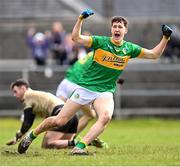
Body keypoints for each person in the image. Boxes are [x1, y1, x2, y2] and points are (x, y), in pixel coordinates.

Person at [18, 9, 173, 155]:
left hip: (105, 91)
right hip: (85, 88)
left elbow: (154, 54)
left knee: (105, 117)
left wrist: (165, 38)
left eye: (120, 27)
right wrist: (80, 19)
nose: (117, 29)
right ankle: (31, 136)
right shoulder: (101, 42)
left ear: (125, 31)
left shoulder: (129, 49)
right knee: (60, 120)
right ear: (111, 29)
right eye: (114, 26)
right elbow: (76, 38)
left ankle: (79, 147)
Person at [6, 78, 79, 149]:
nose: (14, 95)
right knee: (64, 144)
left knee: (47, 144)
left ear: (23, 88)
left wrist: (20, 133)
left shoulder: (27, 96)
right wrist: (20, 134)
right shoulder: (35, 96)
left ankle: (79, 142)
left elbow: (27, 122)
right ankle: (76, 143)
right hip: (72, 115)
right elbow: (30, 120)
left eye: (15, 91)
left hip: (60, 113)